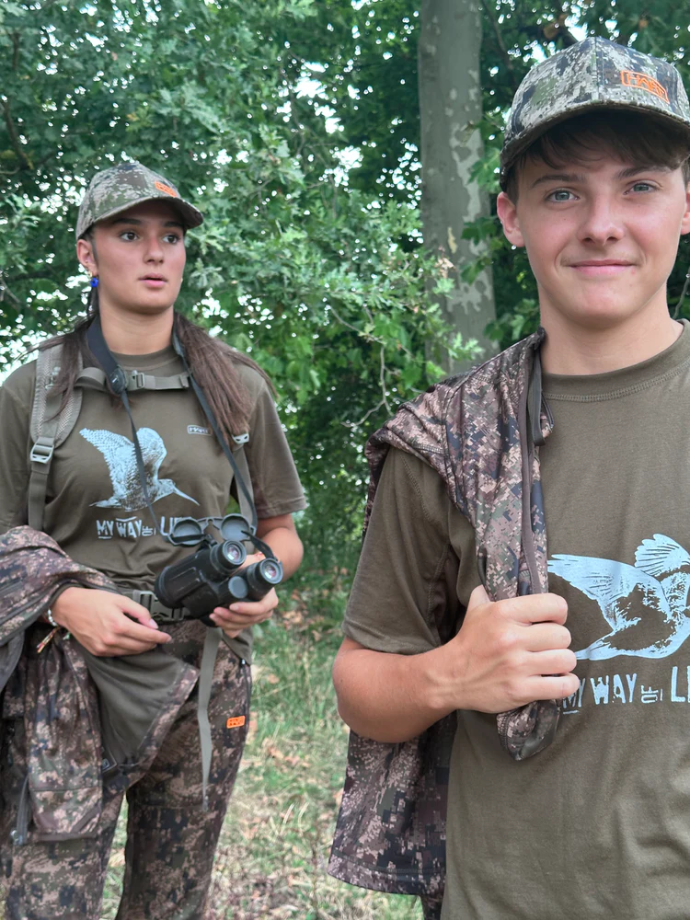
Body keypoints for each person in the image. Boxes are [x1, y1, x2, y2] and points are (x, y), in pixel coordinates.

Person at [329, 37, 690, 920]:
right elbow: (360, 684)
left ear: (687, 203)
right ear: (510, 216)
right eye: (561, 192)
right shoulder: (445, 441)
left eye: (639, 186)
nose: (601, 223)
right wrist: (450, 677)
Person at [0, 161, 305, 919]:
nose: (155, 252)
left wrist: (261, 579)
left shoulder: (235, 385)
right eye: (129, 234)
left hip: (204, 669)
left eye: (170, 237)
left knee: (173, 901)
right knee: (46, 900)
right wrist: (65, 601)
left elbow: (280, 530)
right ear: (87, 252)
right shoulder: (35, 390)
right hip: (67, 676)